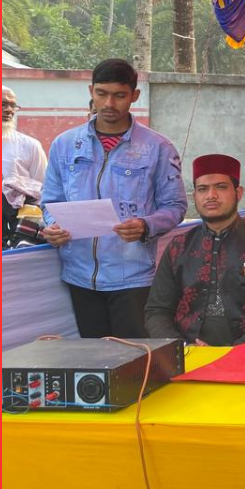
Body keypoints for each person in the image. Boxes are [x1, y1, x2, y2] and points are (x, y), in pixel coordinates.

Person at [41, 59, 187, 338]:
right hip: (78, 274)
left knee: (133, 357)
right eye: (102, 93)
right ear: (91, 92)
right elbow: (50, 200)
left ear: (134, 95)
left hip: (132, 276)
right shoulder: (65, 144)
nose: (109, 103)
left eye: (119, 95)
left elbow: (175, 205)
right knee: (93, 358)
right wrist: (52, 226)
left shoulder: (158, 147)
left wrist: (146, 225)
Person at [145, 154, 245, 345]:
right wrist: (181, 348)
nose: (211, 195)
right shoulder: (179, 246)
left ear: (238, 193)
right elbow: (157, 310)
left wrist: (234, 352)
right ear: (195, 196)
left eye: (221, 187)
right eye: (202, 189)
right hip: (188, 354)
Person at [1, 86, 47, 185]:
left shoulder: (30, 145)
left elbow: (43, 188)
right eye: (3, 104)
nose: (9, 110)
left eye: (13, 106)